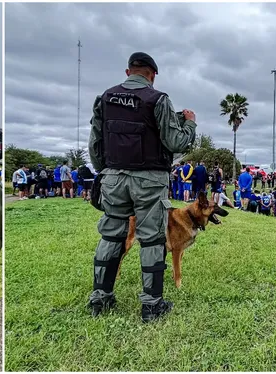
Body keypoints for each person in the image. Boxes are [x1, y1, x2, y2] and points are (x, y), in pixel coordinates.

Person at [87, 52, 197, 322]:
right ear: (153, 75)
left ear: (128, 72)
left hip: (113, 177)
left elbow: (95, 143)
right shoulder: (158, 99)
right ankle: (151, 305)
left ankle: (100, 298)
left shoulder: (104, 98)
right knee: (152, 239)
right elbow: (176, 142)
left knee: (111, 235)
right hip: (149, 180)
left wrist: (107, 171)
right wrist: (190, 123)